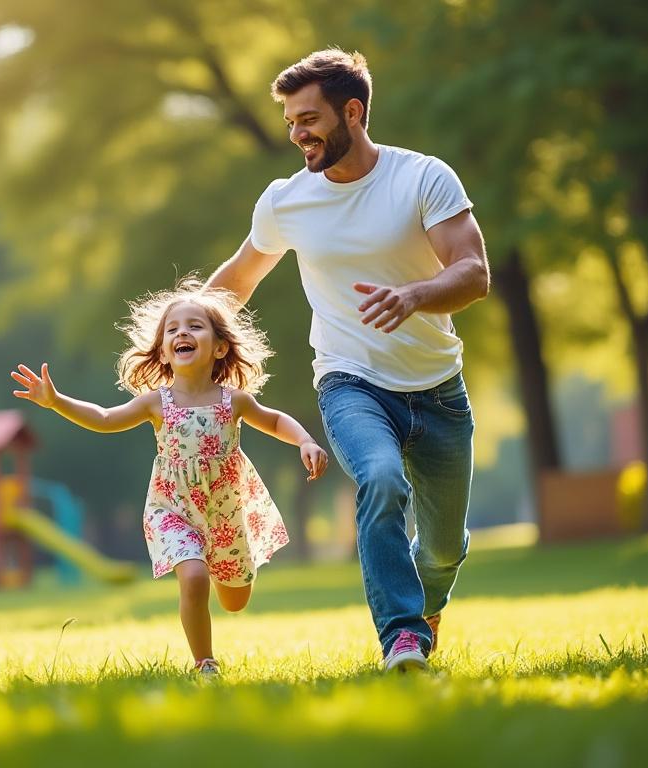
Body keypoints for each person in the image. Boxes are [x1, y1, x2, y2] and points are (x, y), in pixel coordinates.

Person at [206, 49, 490, 672]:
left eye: (308, 118)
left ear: (352, 111)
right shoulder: (287, 201)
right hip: (350, 381)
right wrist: (178, 325)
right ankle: (402, 637)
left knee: (443, 551)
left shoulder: (423, 178)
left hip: (438, 387)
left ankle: (424, 605)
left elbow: (474, 273)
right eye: (289, 122)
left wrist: (415, 295)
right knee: (381, 479)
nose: (297, 133)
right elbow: (239, 278)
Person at [10, 279, 329, 677]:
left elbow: (275, 419)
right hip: (172, 507)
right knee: (194, 577)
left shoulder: (234, 401)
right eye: (173, 329)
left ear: (219, 347)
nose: (182, 332)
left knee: (235, 601)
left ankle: (220, 574)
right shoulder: (157, 403)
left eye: (195, 326)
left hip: (226, 510)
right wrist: (57, 401)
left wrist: (305, 441)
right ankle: (205, 662)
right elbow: (105, 419)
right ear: (163, 350)